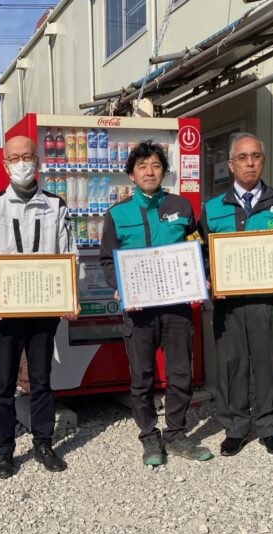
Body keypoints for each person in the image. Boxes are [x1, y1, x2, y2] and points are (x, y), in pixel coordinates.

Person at [99, 140, 213, 466]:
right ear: (131, 175)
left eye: (155, 166)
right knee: (142, 377)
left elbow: (197, 246)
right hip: (139, 311)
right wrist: (120, 286)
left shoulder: (182, 207)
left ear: (164, 171)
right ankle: (149, 437)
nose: (149, 172)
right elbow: (107, 260)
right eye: (142, 167)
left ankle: (176, 434)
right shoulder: (117, 214)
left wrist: (201, 277)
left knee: (180, 374)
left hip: (177, 307)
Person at [0, 135, 78, 479]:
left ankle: (43, 442)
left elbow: (70, 254)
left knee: (41, 378)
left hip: (44, 307)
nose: (22, 163)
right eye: (15, 158)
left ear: (38, 162)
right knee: (4, 382)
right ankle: (4, 449)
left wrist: (69, 295)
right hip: (7, 309)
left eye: (27, 157)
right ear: (5, 165)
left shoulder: (56, 205)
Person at [198, 132, 273, 457]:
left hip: (268, 302)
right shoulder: (212, 208)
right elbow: (200, 252)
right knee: (231, 364)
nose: (250, 162)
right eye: (242, 157)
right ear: (231, 164)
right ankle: (236, 427)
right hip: (228, 304)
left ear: (263, 161)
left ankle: (270, 427)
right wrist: (208, 279)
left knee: (269, 362)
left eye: (256, 156)